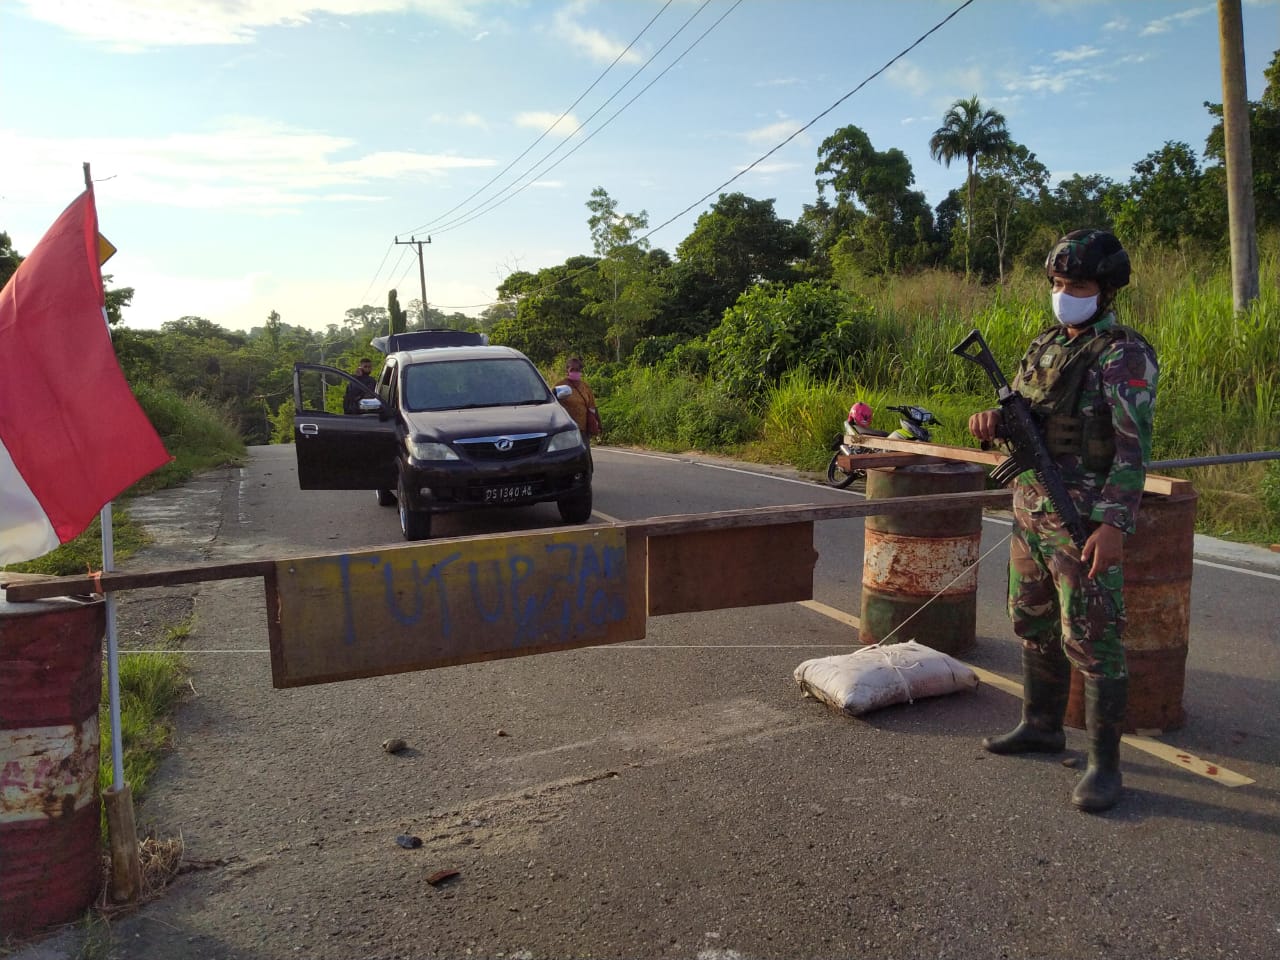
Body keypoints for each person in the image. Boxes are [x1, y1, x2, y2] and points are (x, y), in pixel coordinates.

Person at [967, 229, 1158, 813]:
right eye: (1056, 283)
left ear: (1104, 290)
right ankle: (1042, 726)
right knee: (1032, 619)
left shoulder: (1124, 353)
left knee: (1094, 636)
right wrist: (993, 424)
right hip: (1031, 508)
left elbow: (1133, 450)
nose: (1063, 293)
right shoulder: (1046, 344)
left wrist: (1113, 525)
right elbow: (1026, 414)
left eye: (1075, 285)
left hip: (1083, 515)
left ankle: (1105, 765)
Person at [556, 356, 600, 441]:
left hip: (583, 430)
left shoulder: (585, 387)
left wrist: (598, 423)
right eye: (572, 370)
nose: (575, 372)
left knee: (585, 453)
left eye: (577, 370)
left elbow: (592, 407)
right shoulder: (560, 386)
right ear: (567, 371)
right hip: (566, 430)